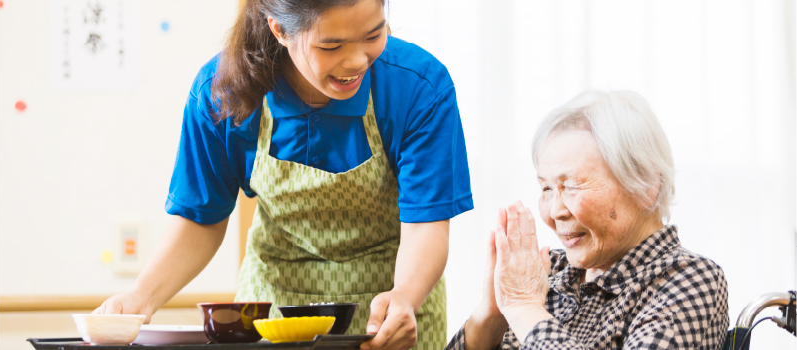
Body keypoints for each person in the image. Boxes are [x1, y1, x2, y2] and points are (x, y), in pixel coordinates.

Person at [93, 0, 473, 349]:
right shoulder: (222, 91)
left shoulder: (419, 86)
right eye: (332, 45)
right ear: (280, 30)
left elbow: (426, 224)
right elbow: (200, 218)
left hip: (391, 315)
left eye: (374, 34)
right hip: (276, 314)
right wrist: (140, 298)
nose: (358, 60)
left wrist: (405, 295)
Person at [446, 91, 728, 349]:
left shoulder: (690, 278)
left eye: (572, 186)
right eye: (546, 188)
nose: (555, 211)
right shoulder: (545, 271)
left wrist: (524, 309)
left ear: (645, 186)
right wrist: (492, 313)